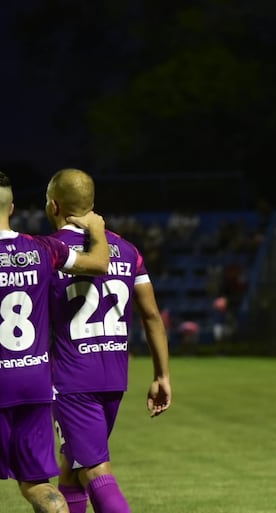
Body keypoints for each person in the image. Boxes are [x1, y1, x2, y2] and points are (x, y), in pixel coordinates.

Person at [45, 169, 172, 513]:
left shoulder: (50, 251)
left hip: (72, 379)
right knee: (71, 469)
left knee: (95, 469)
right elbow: (151, 316)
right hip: (114, 377)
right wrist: (162, 376)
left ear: (54, 206)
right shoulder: (129, 251)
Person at [0, 169, 109, 513]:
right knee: (36, 484)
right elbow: (100, 263)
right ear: (12, 207)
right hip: (35, 382)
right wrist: (97, 230)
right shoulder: (43, 248)